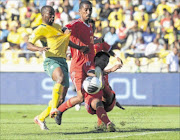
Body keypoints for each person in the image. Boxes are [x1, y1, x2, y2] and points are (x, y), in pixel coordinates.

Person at [27, 5, 89, 130]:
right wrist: (39, 48)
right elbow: (29, 44)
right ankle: (54, 108)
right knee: (59, 78)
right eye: (50, 14)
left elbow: (65, 41)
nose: (52, 16)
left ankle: (40, 118)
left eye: (53, 14)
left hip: (62, 61)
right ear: (43, 15)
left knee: (61, 99)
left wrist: (79, 48)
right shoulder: (40, 29)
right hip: (51, 60)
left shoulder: (57, 27)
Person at [50, 1, 105, 125]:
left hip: (89, 64)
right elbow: (65, 31)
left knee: (98, 89)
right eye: (85, 10)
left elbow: (89, 43)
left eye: (90, 9)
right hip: (78, 66)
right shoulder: (75, 24)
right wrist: (77, 46)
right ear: (79, 11)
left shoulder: (89, 26)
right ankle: (59, 111)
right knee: (80, 97)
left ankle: (101, 123)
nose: (88, 12)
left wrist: (97, 41)